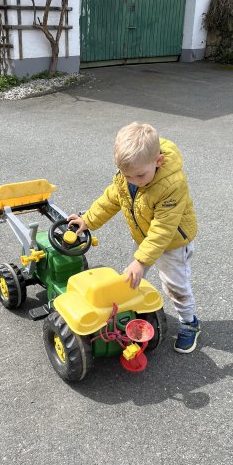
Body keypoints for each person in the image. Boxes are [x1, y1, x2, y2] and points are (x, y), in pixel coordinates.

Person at [68, 122, 200, 354]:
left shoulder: (172, 185)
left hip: (172, 243)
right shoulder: (128, 177)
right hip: (144, 237)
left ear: (158, 161)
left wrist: (141, 261)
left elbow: (163, 230)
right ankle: (133, 314)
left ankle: (189, 323)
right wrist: (87, 220)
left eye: (139, 175)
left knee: (175, 285)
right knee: (131, 279)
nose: (133, 181)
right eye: (126, 175)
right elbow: (110, 200)